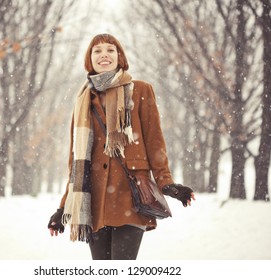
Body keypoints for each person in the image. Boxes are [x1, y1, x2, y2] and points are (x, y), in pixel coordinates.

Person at [47, 33, 195, 260]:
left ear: (119, 57)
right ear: (90, 59)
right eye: (97, 51)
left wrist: (167, 183)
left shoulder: (141, 90)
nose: (103, 55)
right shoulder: (83, 100)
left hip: (130, 195)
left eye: (110, 50)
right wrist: (64, 206)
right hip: (93, 200)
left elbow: (155, 140)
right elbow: (75, 160)